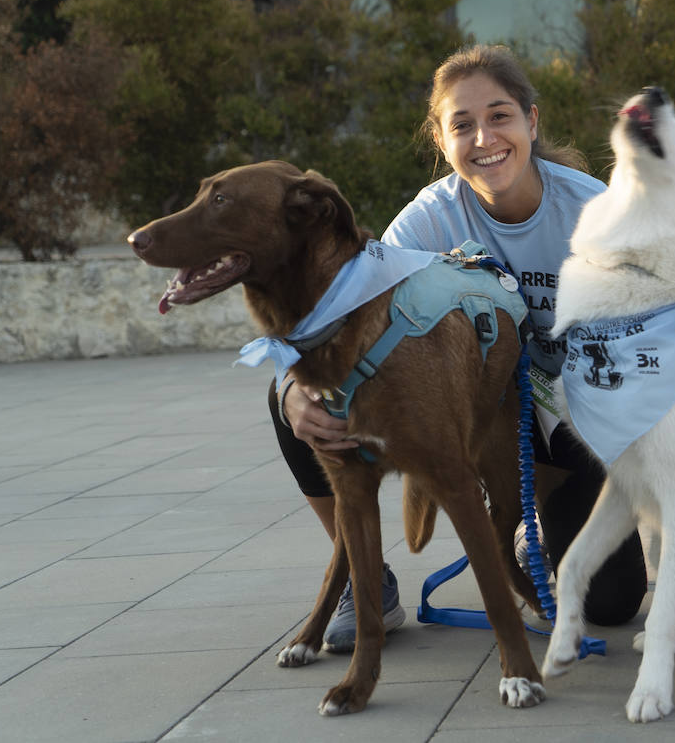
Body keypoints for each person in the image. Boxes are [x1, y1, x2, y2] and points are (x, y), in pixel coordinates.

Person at [270, 44, 647, 651]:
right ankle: (366, 583)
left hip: (577, 419)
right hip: (461, 409)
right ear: (441, 141)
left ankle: (533, 527)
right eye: (462, 124)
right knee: (295, 395)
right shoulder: (426, 222)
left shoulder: (594, 211)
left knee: (610, 603)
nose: (483, 138)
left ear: (531, 121)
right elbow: (340, 317)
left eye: (499, 116)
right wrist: (293, 389)